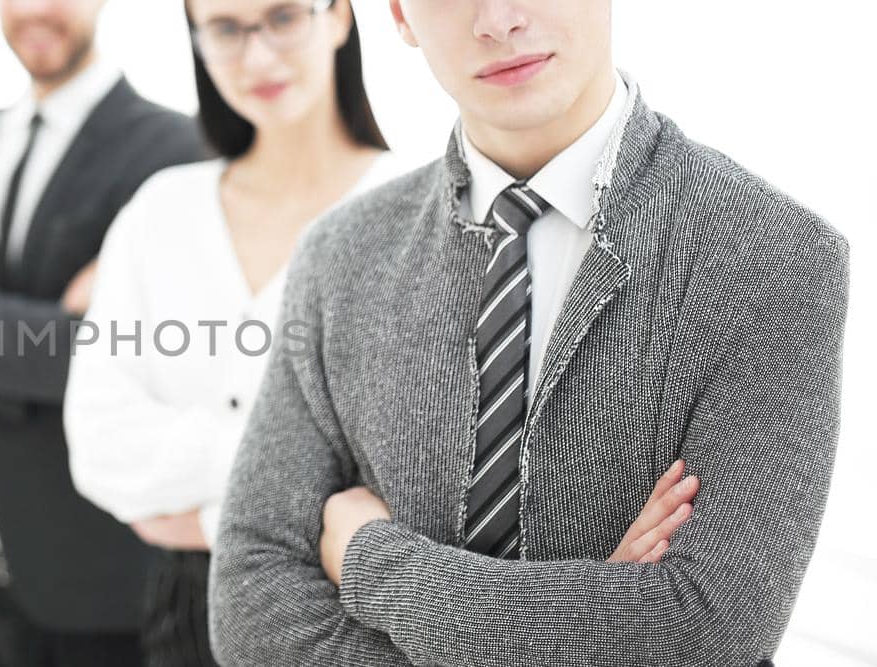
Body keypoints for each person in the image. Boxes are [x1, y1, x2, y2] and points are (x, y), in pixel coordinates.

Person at [209, 1, 850, 665]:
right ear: (399, 14)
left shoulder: (774, 254)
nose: (499, 20)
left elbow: (704, 629)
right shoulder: (340, 257)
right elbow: (252, 602)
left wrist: (374, 560)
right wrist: (592, 620)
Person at [0, 0, 207, 663]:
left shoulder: (176, 152)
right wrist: (52, 340)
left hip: (98, 587)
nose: (37, 10)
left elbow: (131, 357)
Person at [62, 1, 401, 664]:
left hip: (352, 609)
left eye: (282, 17)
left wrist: (216, 517)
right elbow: (100, 441)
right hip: (185, 610)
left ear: (337, 17)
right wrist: (308, 485)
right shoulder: (161, 210)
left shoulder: (415, 209)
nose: (257, 56)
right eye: (225, 28)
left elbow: (416, 479)